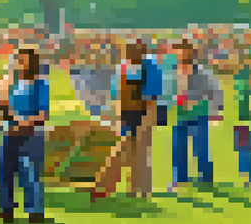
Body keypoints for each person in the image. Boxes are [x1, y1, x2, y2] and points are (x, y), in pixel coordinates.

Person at [94, 40, 159, 199]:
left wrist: (147, 120)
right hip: (125, 113)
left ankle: (142, 192)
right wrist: (118, 116)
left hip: (144, 112)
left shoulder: (149, 67)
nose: (128, 55)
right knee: (125, 152)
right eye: (127, 52)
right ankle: (123, 189)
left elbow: (151, 97)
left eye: (132, 52)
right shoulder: (123, 67)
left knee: (142, 153)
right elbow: (118, 93)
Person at [0, 47, 50, 224]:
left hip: (31, 134)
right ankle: (6, 209)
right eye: (18, 59)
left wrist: (23, 123)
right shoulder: (12, 83)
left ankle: (34, 211)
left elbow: (44, 114)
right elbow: (3, 107)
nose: (20, 63)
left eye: (24, 59)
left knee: (30, 172)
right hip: (10, 132)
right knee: (5, 171)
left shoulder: (40, 84)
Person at [170, 40, 224, 190]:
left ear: (191, 52)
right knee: (178, 149)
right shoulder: (172, 73)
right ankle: (180, 181)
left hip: (199, 115)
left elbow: (217, 92)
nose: (182, 53)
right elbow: (166, 94)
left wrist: (215, 111)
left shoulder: (202, 72)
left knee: (201, 149)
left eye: (185, 50)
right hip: (179, 116)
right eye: (179, 50)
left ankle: (206, 180)